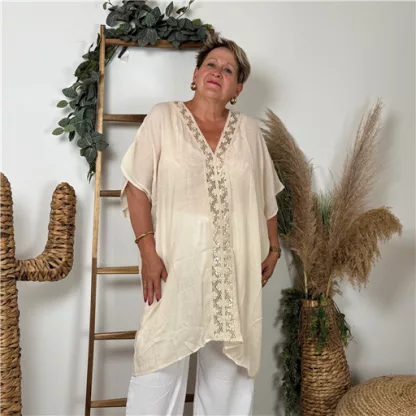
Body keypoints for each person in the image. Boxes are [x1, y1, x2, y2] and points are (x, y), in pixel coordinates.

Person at [119, 32, 284, 416]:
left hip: (235, 274)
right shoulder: (163, 117)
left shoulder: (249, 132)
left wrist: (274, 247)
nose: (217, 72)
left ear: (237, 88)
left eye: (228, 70)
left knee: (228, 382)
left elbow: (266, 198)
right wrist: (148, 252)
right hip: (174, 267)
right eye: (211, 64)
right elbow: (136, 188)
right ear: (195, 75)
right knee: (157, 367)